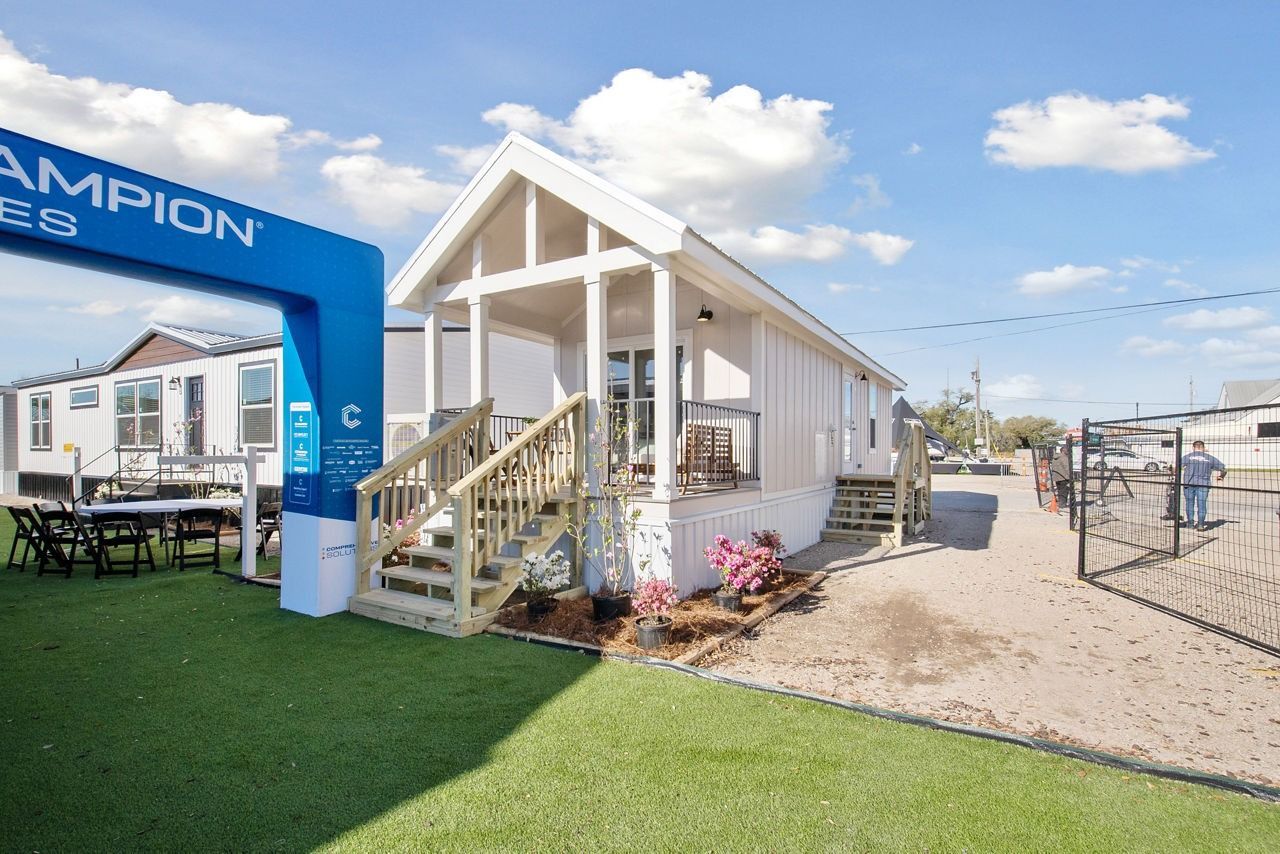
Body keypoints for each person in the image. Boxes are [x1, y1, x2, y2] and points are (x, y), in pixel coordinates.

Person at [1179, 440, 1226, 531]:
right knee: (1202, 504)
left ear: (1193, 447)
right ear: (1203, 447)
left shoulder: (1188, 457)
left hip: (1188, 483)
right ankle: (1200, 524)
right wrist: (1221, 476)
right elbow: (1223, 469)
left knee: (1189, 503)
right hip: (1203, 484)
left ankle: (1190, 524)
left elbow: (1176, 467)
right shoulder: (1210, 458)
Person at [1049, 445, 1072, 514]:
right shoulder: (1064, 458)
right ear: (1063, 450)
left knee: (1060, 490)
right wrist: (1070, 477)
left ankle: (1061, 503)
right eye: (1067, 450)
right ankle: (1062, 504)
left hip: (1057, 477)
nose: (1069, 451)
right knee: (1064, 491)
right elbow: (1067, 468)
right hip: (1064, 477)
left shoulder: (1055, 458)